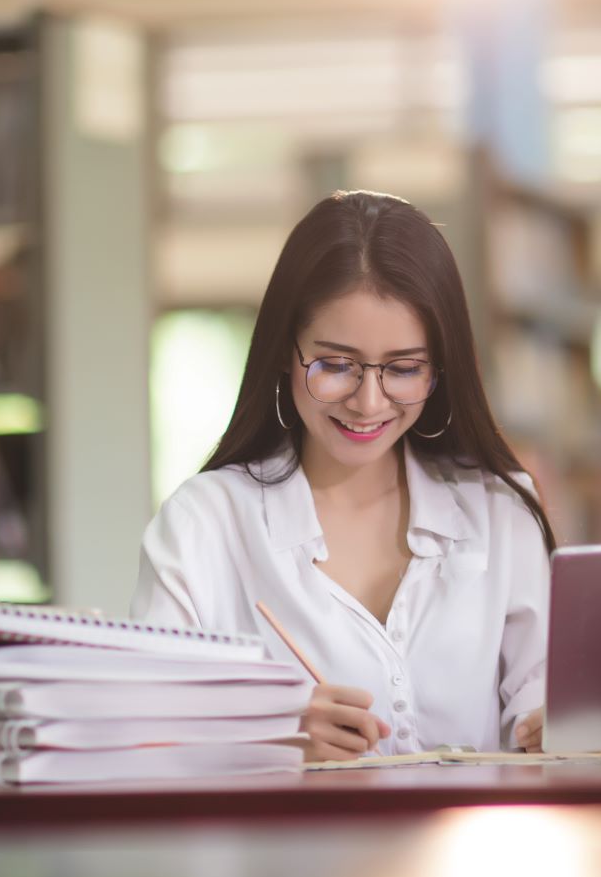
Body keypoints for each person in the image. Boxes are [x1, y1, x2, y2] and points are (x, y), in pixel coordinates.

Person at [131, 190, 554, 760]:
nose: (368, 402)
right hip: (282, 851)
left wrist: (554, 725)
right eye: (334, 365)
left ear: (440, 368)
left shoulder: (500, 511)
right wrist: (269, 736)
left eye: (404, 369)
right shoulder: (203, 525)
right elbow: (142, 736)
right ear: (285, 351)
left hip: (470, 849)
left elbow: (546, 701)